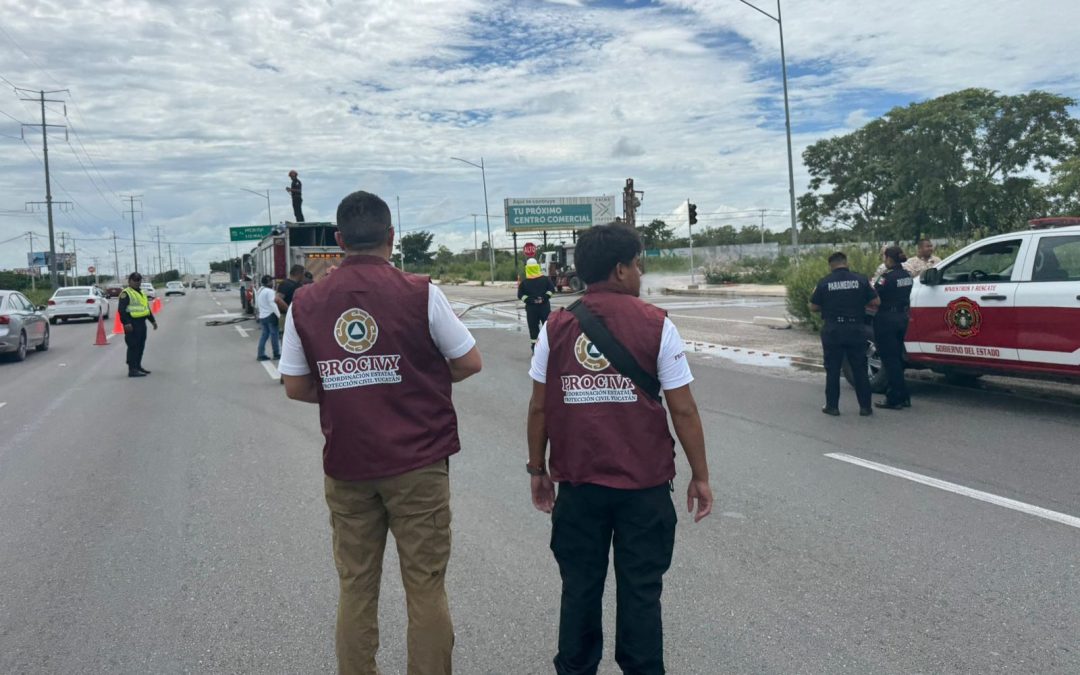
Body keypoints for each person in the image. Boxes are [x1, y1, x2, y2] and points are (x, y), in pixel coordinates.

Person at [279, 190, 482, 675]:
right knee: (426, 586)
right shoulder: (421, 291)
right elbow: (469, 361)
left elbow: (294, 386)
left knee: (356, 586)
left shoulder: (305, 302)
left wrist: (348, 389)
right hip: (419, 465)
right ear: (392, 237)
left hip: (349, 467)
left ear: (339, 240)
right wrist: (416, 377)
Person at [526, 223, 713, 674]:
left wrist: (538, 469)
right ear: (620, 269)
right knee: (642, 591)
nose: (640, 271)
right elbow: (683, 411)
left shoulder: (556, 326)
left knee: (580, 589)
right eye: (636, 263)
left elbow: (539, 408)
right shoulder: (657, 324)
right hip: (644, 487)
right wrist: (700, 476)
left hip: (578, 485)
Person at [809, 251, 880, 416]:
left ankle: (832, 407)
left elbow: (813, 307)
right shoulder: (861, 279)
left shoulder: (824, 282)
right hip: (856, 328)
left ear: (831, 265)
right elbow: (876, 301)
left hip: (833, 330)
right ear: (846, 262)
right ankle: (865, 407)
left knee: (833, 369)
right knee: (859, 368)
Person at [874, 246, 913, 410]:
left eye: (885, 257)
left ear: (889, 259)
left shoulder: (886, 277)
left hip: (886, 319)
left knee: (889, 360)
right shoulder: (907, 275)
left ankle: (894, 398)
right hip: (902, 318)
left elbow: (874, 294)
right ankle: (904, 396)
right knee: (897, 358)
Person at [118, 271, 158, 378]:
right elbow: (121, 310)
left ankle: (138, 366)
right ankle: (132, 369)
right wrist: (126, 323)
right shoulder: (126, 293)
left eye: (138, 280)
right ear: (129, 281)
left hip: (141, 323)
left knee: (141, 346)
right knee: (133, 346)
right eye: (134, 280)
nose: (137, 282)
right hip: (131, 324)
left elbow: (146, 308)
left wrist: (153, 321)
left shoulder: (142, 292)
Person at [517, 257, 556, 351]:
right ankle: (549, 346)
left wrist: (530, 300)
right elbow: (552, 290)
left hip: (531, 309)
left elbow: (520, 295)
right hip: (544, 307)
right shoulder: (545, 280)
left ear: (527, 269)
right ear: (537, 267)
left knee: (533, 328)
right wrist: (544, 298)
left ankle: (535, 347)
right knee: (547, 327)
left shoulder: (524, 283)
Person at [254, 274, 281, 362]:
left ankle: (260, 354)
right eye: (271, 281)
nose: (272, 283)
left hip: (263, 316)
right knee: (274, 335)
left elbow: (257, 304)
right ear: (268, 282)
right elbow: (272, 304)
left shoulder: (260, 291)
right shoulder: (270, 291)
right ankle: (276, 354)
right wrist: (279, 315)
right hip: (271, 315)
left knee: (264, 335)